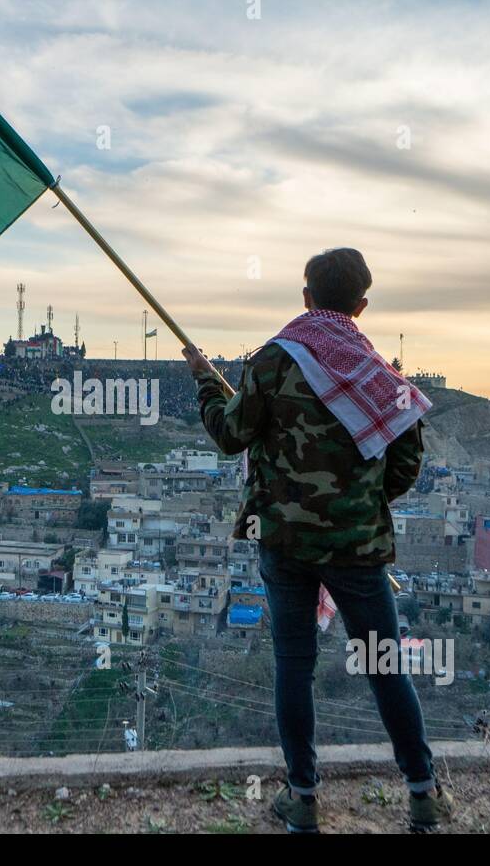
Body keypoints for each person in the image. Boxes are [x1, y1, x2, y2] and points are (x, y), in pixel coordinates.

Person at [182, 247, 453, 833]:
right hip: (358, 548)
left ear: (305, 296)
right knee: (386, 666)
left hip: (283, 544)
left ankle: (301, 797)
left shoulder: (275, 361)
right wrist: (362, 503)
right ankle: (423, 792)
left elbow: (231, 435)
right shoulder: (381, 375)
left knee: (293, 666)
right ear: (360, 305)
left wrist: (206, 383)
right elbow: (407, 461)